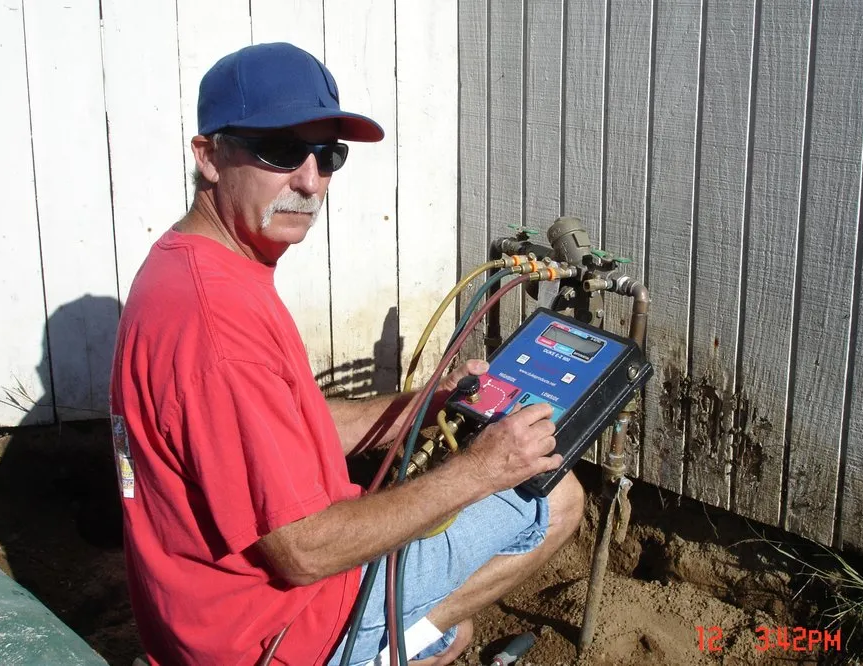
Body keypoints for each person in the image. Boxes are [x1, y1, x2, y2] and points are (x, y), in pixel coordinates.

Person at [110, 42, 585, 666]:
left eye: (327, 155)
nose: (309, 181)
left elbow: (295, 429)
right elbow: (302, 551)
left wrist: (430, 403)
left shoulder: (191, 267)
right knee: (557, 498)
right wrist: (481, 470)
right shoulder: (218, 324)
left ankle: (416, 635)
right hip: (279, 635)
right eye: (280, 150)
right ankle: (397, 643)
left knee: (457, 621)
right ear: (209, 157)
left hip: (202, 616)